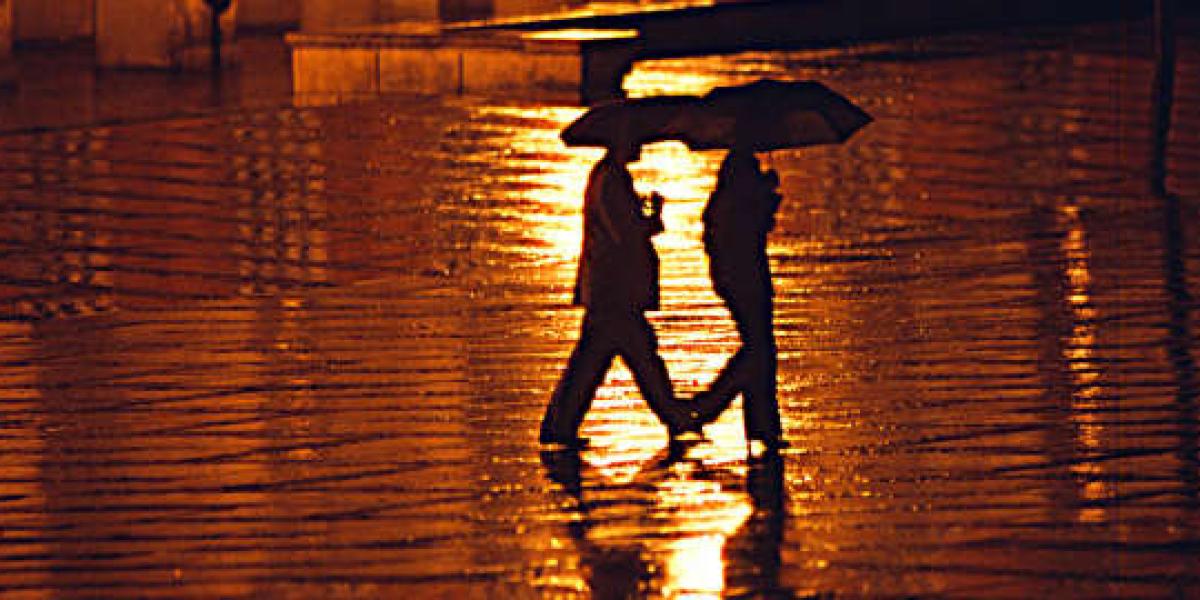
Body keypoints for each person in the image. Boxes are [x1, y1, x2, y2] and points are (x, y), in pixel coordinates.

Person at [539, 137, 695, 447]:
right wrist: (651, 218)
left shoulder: (609, 177)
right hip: (615, 289)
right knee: (636, 358)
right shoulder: (612, 181)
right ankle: (675, 419)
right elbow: (625, 233)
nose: (641, 145)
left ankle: (559, 426)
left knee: (600, 360)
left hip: (608, 288)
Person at [691, 144, 785, 451]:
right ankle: (711, 406)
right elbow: (747, 227)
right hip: (745, 278)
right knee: (758, 350)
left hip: (740, 276)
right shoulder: (739, 185)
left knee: (759, 349)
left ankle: (761, 426)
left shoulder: (730, 187)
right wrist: (766, 198)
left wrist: (766, 196)